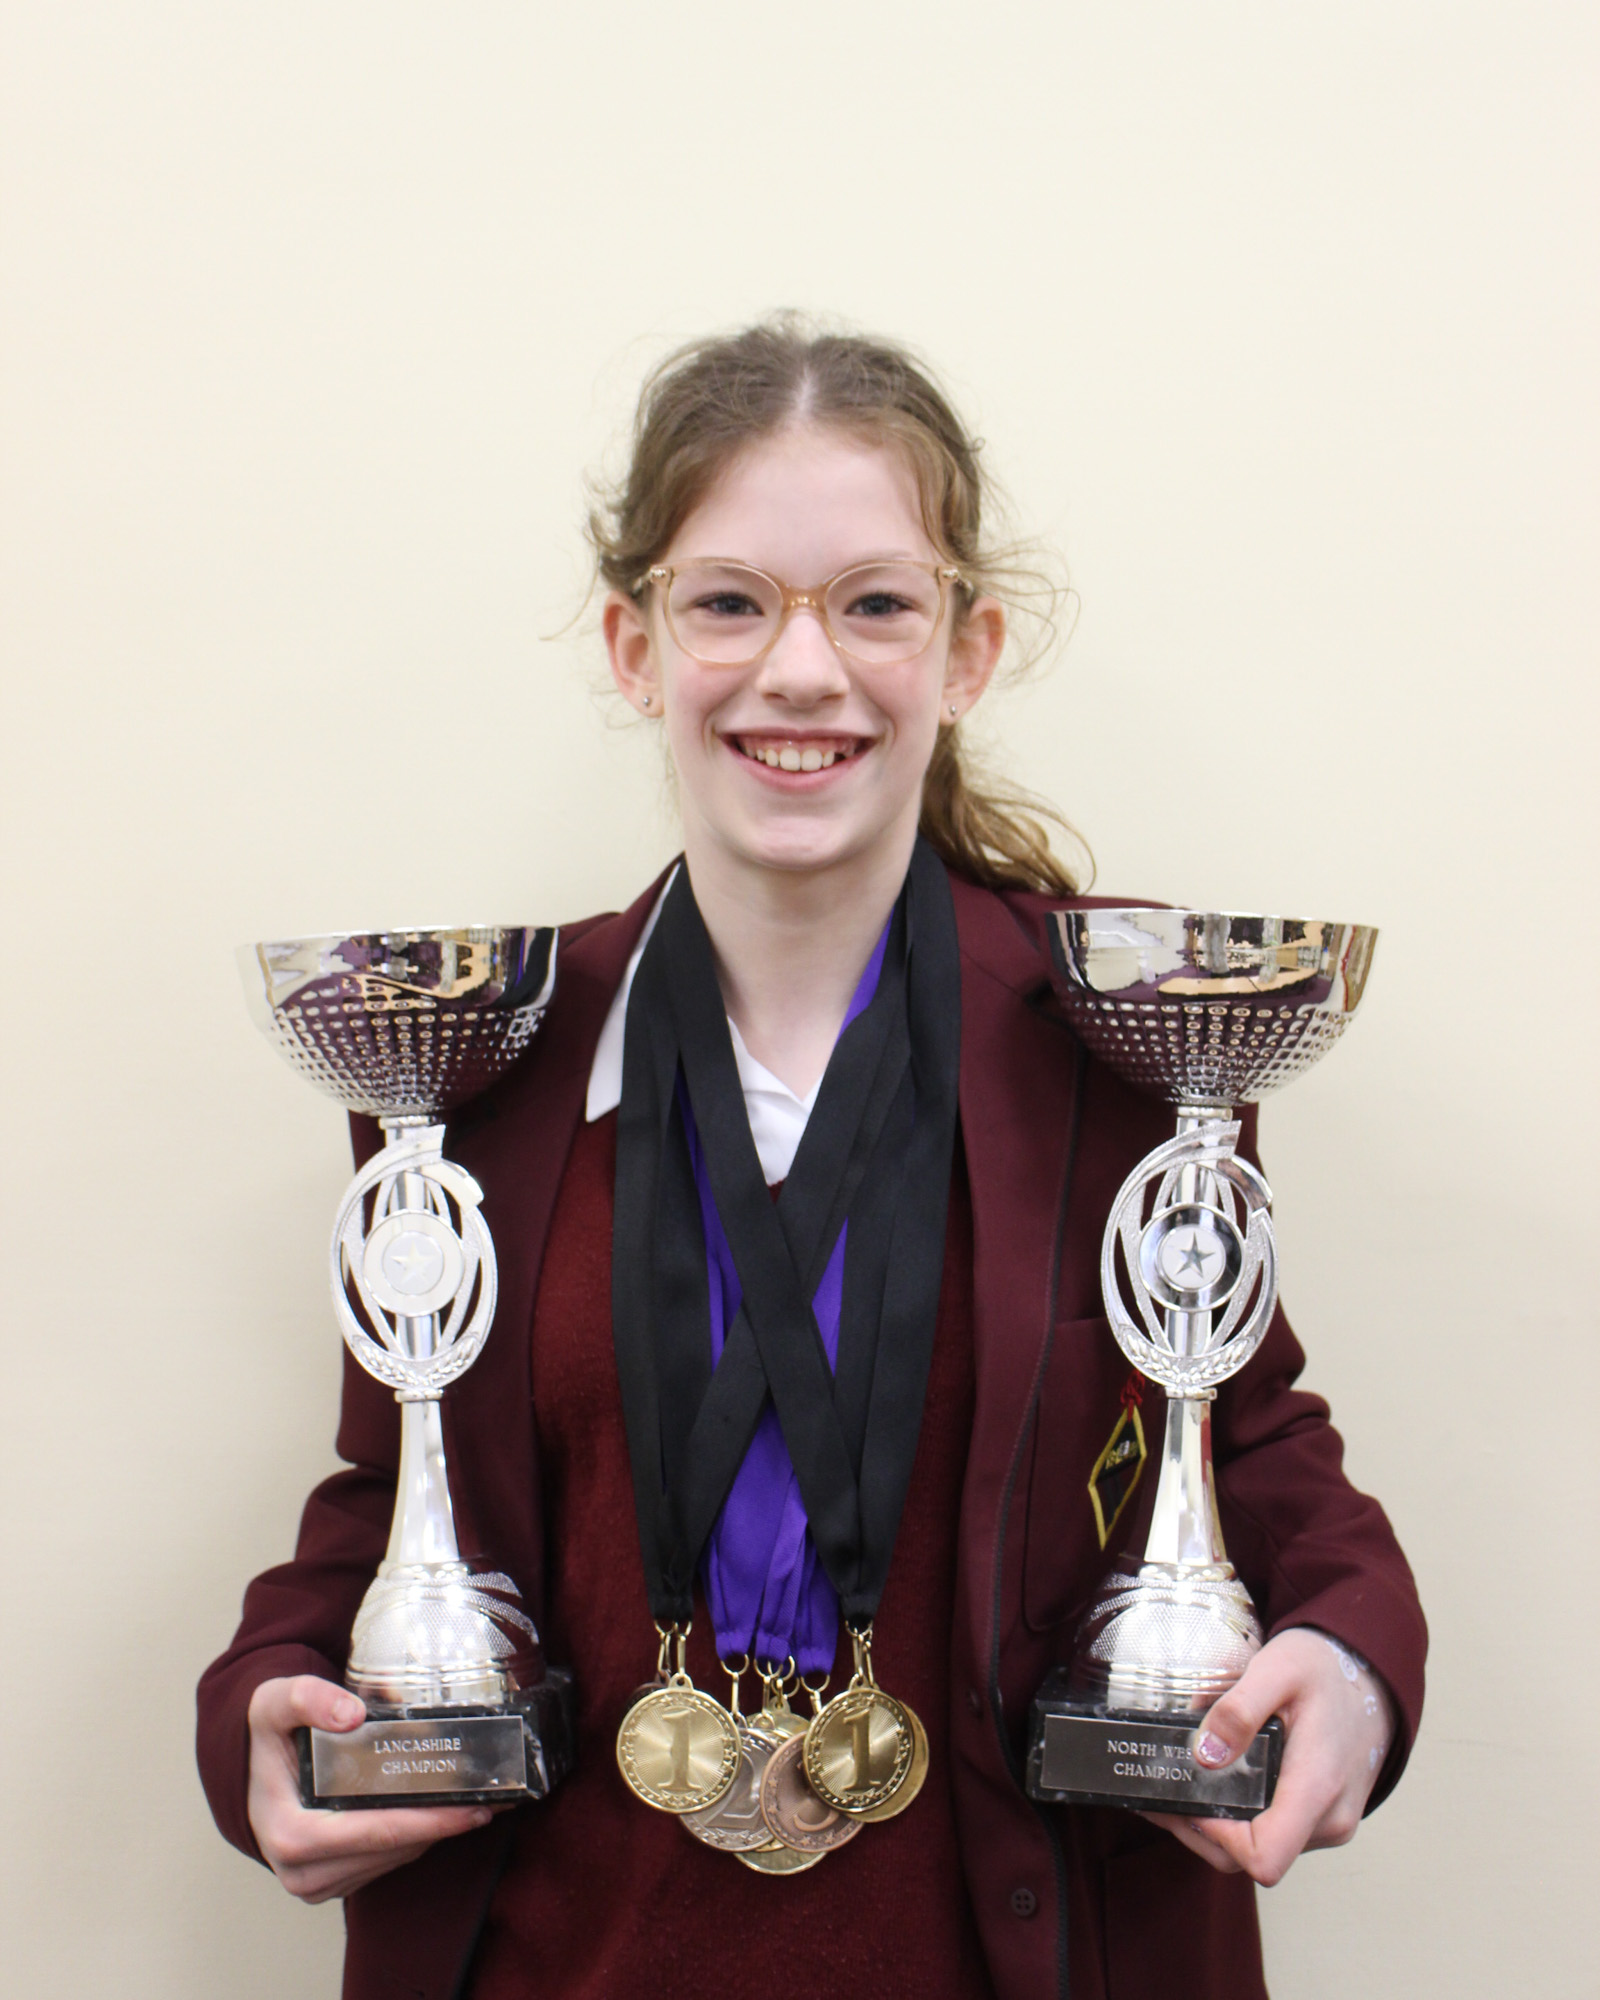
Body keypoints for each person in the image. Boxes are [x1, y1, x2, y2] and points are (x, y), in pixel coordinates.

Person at [198, 319, 1426, 2000]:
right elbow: (396, 1500)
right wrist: (264, 1705)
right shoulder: (480, 1061)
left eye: (873, 602)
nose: (802, 671)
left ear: (967, 647)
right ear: (634, 647)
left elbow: (1245, 1428)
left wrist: (1353, 1661)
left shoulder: (1131, 1042)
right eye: (727, 603)